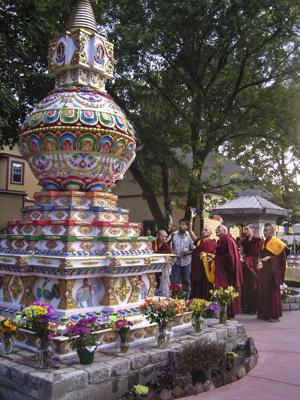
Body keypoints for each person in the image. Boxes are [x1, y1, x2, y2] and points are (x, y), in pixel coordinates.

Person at [257, 223, 287, 322]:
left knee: (272, 293)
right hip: (265, 272)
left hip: (273, 272)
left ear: (272, 231)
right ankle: (265, 313)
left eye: (267, 230)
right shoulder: (264, 242)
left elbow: (282, 260)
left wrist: (271, 258)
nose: (264, 232)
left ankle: (275, 315)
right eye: (264, 230)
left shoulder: (278, 243)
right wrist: (260, 261)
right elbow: (261, 255)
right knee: (264, 293)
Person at [215, 225, 243, 319]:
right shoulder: (226, 240)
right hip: (226, 270)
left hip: (226, 272)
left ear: (224, 230)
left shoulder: (227, 240)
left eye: (218, 229)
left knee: (224, 291)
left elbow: (230, 258)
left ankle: (226, 314)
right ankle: (225, 314)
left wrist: (216, 258)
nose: (216, 230)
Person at [188, 212, 216, 300]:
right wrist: (191, 218)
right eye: (203, 230)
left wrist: (209, 255)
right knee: (195, 288)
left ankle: (207, 305)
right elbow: (190, 231)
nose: (203, 231)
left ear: (211, 233)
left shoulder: (213, 243)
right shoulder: (199, 242)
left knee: (205, 288)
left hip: (206, 269)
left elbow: (215, 255)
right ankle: (196, 304)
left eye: (206, 230)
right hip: (197, 268)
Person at [240, 224, 264, 314]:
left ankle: (255, 307)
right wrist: (241, 257)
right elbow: (241, 252)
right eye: (244, 230)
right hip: (246, 265)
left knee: (255, 285)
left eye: (247, 229)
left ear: (252, 229)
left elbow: (260, 254)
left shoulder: (258, 241)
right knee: (246, 286)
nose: (245, 231)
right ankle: (248, 306)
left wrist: (260, 262)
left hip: (254, 265)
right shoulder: (243, 241)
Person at [170, 219, 195, 298]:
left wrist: (187, 252)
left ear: (187, 227)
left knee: (186, 281)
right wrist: (170, 239)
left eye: (184, 224)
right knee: (175, 281)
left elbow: (194, 248)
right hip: (175, 261)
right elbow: (167, 244)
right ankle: (175, 297)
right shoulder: (174, 234)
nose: (182, 226)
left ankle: (186, 298)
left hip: (187, 262)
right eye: (180, 224)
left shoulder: (189, 236)